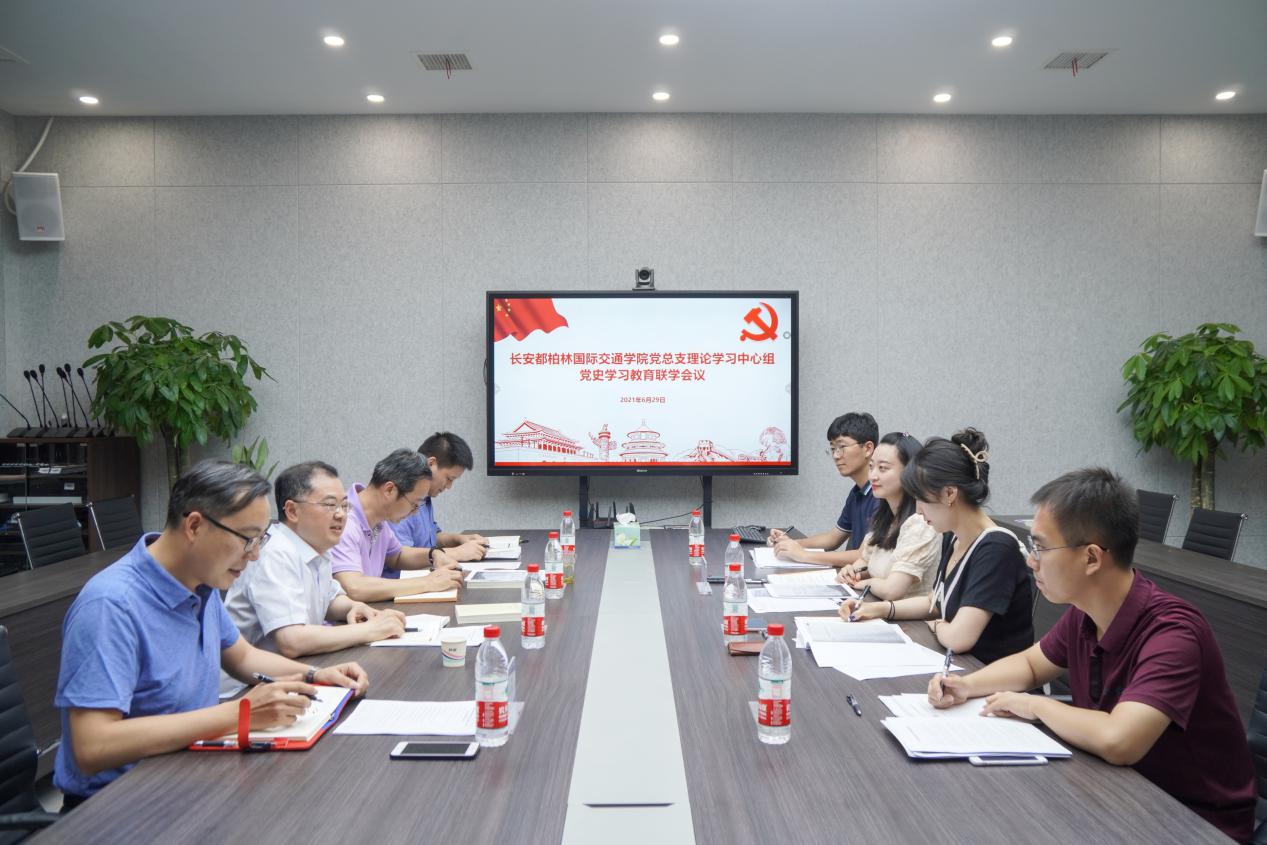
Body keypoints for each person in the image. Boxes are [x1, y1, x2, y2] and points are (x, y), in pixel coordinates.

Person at [927, 468, 1255, 843]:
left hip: (1193, 823)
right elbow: (1031, 664)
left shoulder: (1174, 632)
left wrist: (1036, 706)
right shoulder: (1085, 614)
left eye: (1041, 548)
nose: (1032, 561)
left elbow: (1119, 740)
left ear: (1092, 558)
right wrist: (966, 686)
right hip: (1116, 795)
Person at [53, 460, 369, 806]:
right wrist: (239, 713)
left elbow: (243, 657)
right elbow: (93, 746)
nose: (255, 555)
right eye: (247, 539)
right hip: (119, 804)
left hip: (188, 774)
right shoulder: (111, 606)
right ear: (194, 526)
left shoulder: (199, 583)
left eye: (260, 539)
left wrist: (315, 675)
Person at [841, 428, 1033, 663]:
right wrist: (879, 609)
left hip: (987, 674)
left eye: (922, 499)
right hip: (957, 666)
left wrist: (937, 624)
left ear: (949, 493)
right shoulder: (956, 537)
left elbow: (957, 638)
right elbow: (933, 602)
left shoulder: (996, 547)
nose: (918, 510)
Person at [222, 461, 406, 695]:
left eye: (344, 505)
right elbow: (292, 640)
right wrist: (371, 630)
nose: (341, 514)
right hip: (242, 691)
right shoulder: (274, 552)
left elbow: (328, 598)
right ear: (292, 511)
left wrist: (355, 607)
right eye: (330, 505)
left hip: (289, 676)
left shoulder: (315, 546)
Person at [329, 448, 465, 602]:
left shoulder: (379, 519)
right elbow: (354, 588)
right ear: (389, 490)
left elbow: (397, 556)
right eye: (414, 504)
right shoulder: (343, 522)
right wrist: (428, 582)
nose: (415, 512)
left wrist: (433, 554)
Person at [768, 412, 881, 567]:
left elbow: (864, 556)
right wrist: (792, 543)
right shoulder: (857, 492)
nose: (836, 456)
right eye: (833, 449)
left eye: (841, 447)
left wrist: (803, 555)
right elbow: (832, 539)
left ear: (868, 448)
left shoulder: (882, 495)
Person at [836, 432, 940, 599]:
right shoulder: (884, 518)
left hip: (908, 615)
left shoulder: (921, 523)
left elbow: (892, 590)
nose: (872, 476)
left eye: (883, 468)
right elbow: (864, 562)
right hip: (876, 608)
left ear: (910, 472)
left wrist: (861, 583)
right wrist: (850, 572)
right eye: (871, 466)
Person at [388, 432, 487, 568]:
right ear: (431, 464)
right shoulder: (401, 496)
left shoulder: (426, 497)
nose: (449, 486)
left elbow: (431, 536)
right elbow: (399, 555)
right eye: (449, 478)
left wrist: (459, 539)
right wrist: (456, 553)